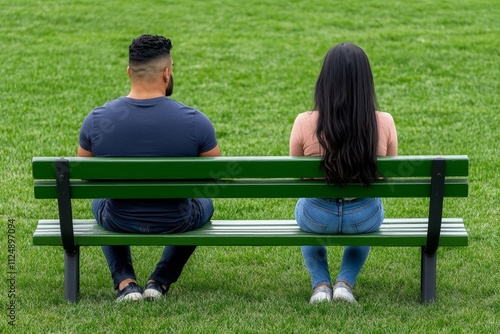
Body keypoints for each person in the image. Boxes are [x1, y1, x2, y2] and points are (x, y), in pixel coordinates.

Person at [77, 34, 221, 302]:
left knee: (101, 199)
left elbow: (86, 175)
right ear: (167, 73)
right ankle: (160, 280)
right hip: (177, 220)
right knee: (205, 203)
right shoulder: (195, 121)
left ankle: (125, 282)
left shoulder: (97, 120)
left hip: (119, 219)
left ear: (129, 72)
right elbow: (215, 173)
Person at [289, 42, 398, 303]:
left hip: (317, 218)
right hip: (364, 217)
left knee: (304, 204)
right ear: (366, 83)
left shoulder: (304, 122)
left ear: (325, 81)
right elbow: (387, 175)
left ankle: (321, 287)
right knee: (372, 205)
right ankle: (344, 284)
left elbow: (298, 175)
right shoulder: (384, 122)